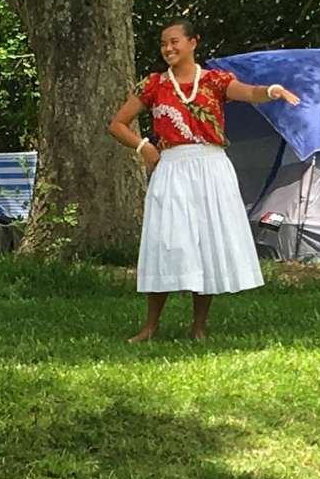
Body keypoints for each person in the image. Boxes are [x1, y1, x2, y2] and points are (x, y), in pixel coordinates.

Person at [108, 19, 300, 342]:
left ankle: (198, 326)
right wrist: (144, 147)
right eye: (163, 43)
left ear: (193, 42)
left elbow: (248, 92)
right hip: (172, 168)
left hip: (211, 168)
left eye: (174, 41)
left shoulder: (214, 80)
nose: (168, 48)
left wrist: (271, 91)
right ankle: (150, 326)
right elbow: (117, 124)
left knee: (205, 242)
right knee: (166, 242)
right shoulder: (154, 85)